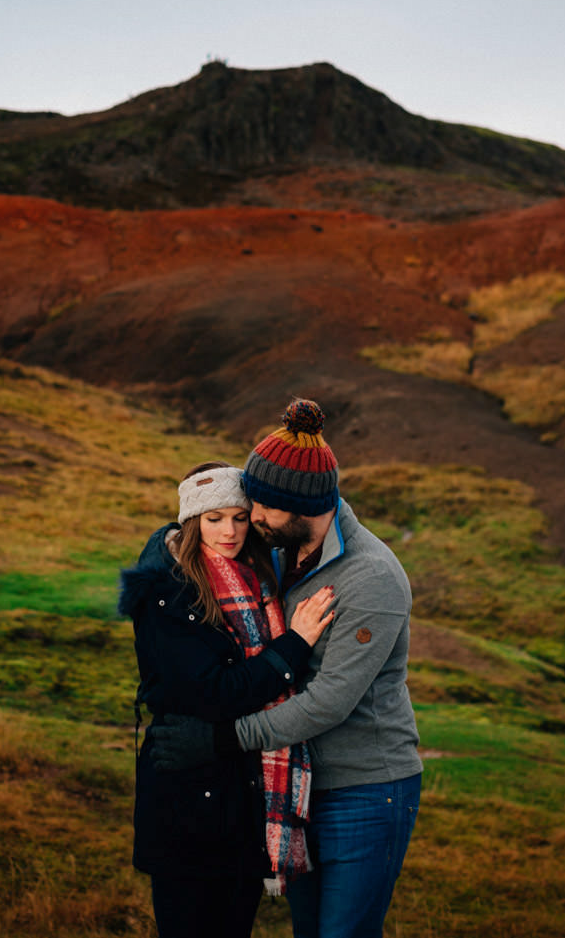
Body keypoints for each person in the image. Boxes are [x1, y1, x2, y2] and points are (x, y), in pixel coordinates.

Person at [149, 399, 422, 938]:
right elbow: (196, 544)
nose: (252, 517)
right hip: (297, 784)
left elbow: (328, 702)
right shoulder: (277, 547)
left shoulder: (370, 579)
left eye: (264, 507)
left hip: (364, 790)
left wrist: (224, 739)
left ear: (302, 508)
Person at [119, 461, 337, 938]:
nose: (229, 532)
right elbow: (214, 693)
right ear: (191, 522)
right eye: (214, 519)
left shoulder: (258, 580)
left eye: (239, 518)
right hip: (186, 799)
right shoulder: (169, 593)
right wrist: (294, 645)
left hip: (240, 798)